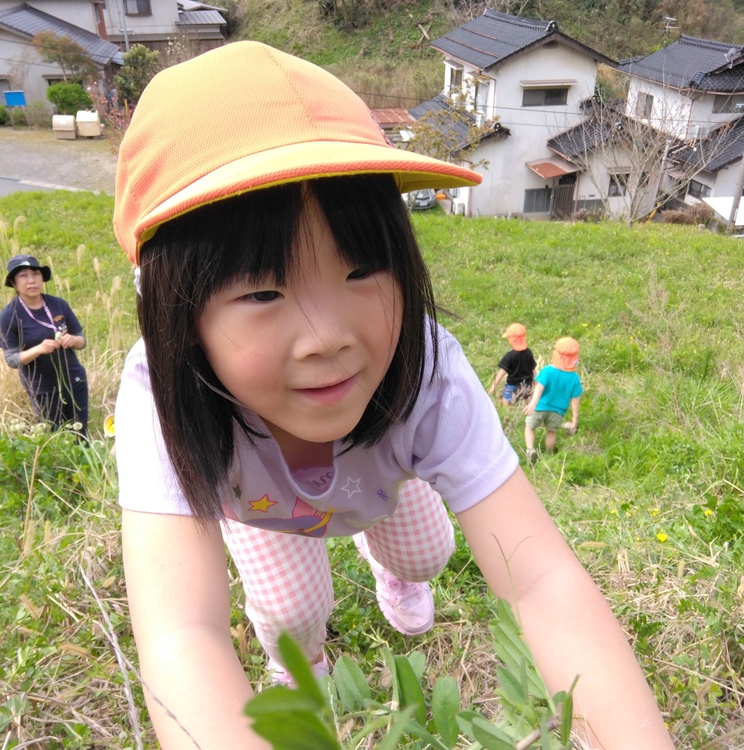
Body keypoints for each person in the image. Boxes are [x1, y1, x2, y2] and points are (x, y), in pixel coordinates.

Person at [113, 41, 674, 750]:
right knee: (290, 612)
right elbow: (181, 631)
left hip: (379, 478)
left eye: (363, 270)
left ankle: (393, 571)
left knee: (423, 556)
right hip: (262, 512)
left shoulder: (426, 365)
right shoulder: (160, 393)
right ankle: (307, 667)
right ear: (174, 314)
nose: (327, 338)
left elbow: (541, 580)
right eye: (262, 290)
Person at [0, 254, 89, 437]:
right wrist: (39, 349)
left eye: (35, 274)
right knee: (55, 437)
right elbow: (12, 360)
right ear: (14, 283)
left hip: (74, 379)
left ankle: (85, 465)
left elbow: (81, 341)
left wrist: (73, 340)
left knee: (80, 434)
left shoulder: (58, 304)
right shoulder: (9, 315)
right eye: (23, 276)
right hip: (42, 388)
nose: (31, 281)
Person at [523, 337, 583, 460]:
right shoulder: (574, 378)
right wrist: (574, 420)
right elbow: (575, 400)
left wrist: (533, 403)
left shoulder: (548, 370)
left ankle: (530, 450)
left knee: (530, 427)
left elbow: (539, 388)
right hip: (558, 412)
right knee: (551, 432)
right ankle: (549, 456)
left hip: (540, 407)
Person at [487, 322, 536, 406]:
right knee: (529, 401)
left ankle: (507, 415)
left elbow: (501, 373)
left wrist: (493, 387)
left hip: (511, 386)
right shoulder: (529, 352)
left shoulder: (509, 356)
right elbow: (533, 369)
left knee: (506, 404)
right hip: (527, 385)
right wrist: (537, 382)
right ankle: (530, 412)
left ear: (512, 340)